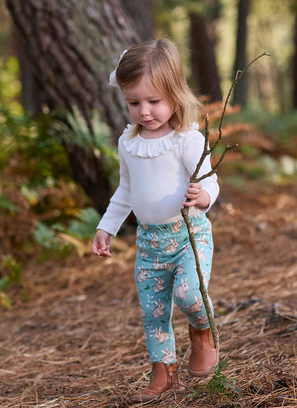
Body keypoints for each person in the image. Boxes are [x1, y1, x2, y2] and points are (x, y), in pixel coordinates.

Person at [92, 38, 219, 402]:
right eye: (134, 103)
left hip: (187, 235)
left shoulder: (186, 139)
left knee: (188, 293)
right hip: (149, 243)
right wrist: (106, 227)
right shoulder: (128, 142)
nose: (144, 111)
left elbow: (210, 181)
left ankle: (202, 330)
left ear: (175, 94)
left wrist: (205, 196)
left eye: (154, 101)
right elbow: (125, 191)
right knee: (154, 310)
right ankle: (164, 373)